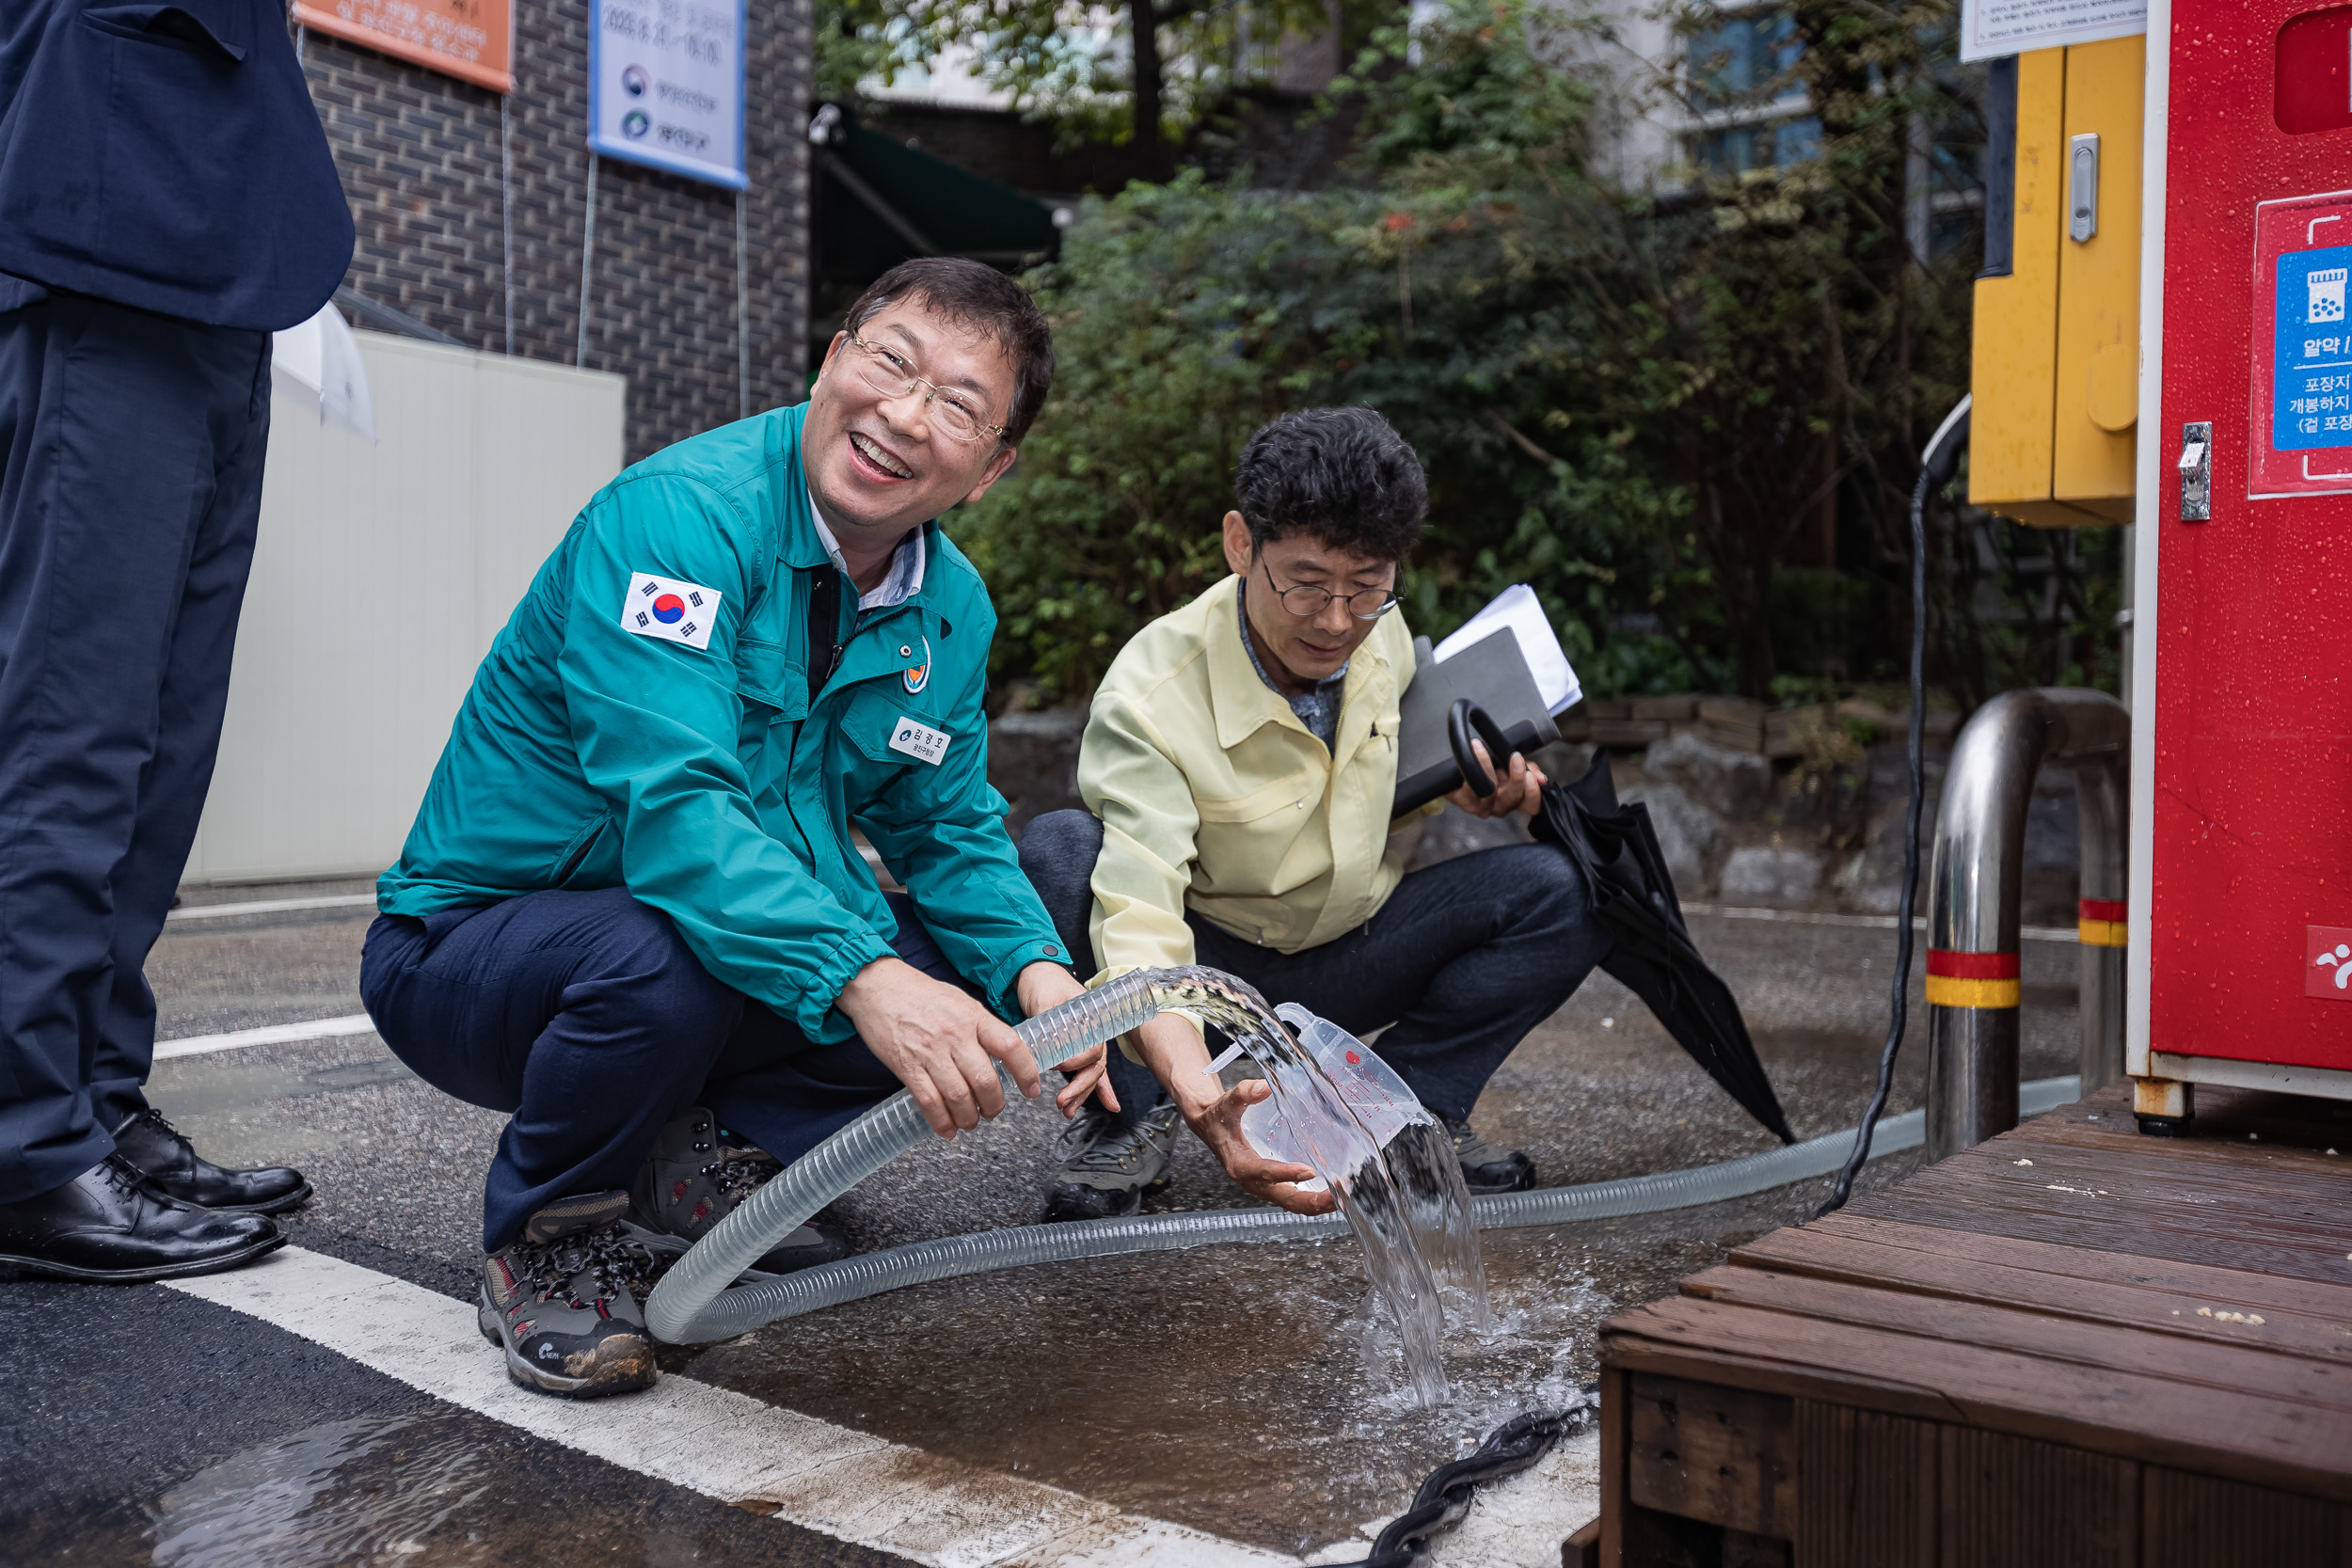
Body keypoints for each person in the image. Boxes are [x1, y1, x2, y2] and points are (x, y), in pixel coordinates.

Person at [358, 259, 1303, 1402]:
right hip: (486, 952)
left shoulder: (948, 606)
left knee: (1046, 893)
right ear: (832, 360)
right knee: (662, 952)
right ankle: (552, 1232)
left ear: (991, 469)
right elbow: (678, 815)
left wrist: (1046, 979)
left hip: (718, 947)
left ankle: (699, 1151)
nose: (904, 414)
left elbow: (947, 823)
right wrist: (864, 973)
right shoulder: (677, 520)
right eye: (889, 362)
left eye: (958, 405)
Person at [1019, 406, 1614, 1221]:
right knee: (1062, 849)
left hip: (1352, 947)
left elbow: (1374, 779)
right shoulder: (1150, 694)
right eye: (1307, 583)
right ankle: (1131, 1116)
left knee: (1569, 887)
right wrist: (1198, 1089)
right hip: (1209, 970)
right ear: (1240, 544)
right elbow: (1139, 919)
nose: (1337, 621)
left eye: (1367, 586)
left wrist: (1471, 788)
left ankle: (1407, 1118)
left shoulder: (1386, 638)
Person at [0, 0, 355, 1281]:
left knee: (160, 751)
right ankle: (25, 1144)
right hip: (106, 249)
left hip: (212, 273)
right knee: (72, 739)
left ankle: (90, 1098)